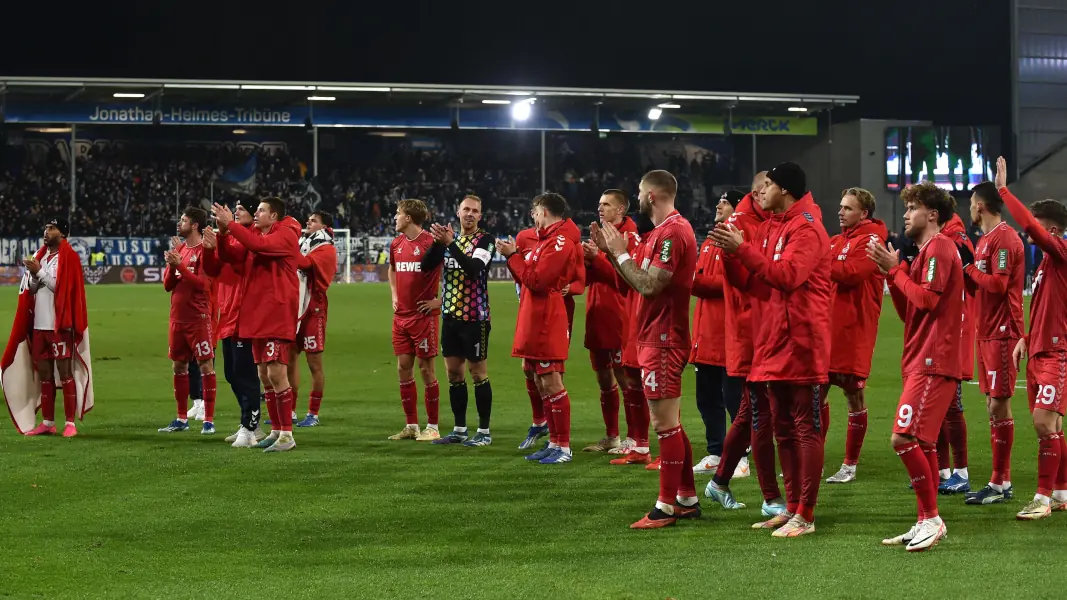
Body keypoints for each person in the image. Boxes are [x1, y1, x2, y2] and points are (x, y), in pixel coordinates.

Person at [711, 162, 832, 537]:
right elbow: (751, 283)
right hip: (772, 339)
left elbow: (788, 277)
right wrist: (731, 254)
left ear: (786, 190)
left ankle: (806, 515)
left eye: (768, 185)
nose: (760, 191)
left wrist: (742, 249)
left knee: (805, 429)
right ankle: (791, 507)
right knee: (782, 429)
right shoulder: (770, 227)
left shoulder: (807, 228)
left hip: (802, 341)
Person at [594, 170, 699, 528]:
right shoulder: (661, 232)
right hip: (656, 335)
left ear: (651, 195)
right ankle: (685, 496)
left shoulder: (672, 233)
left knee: (664, 424)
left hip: (665, 338)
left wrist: (621, 254)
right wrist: (613, 255)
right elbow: (638, 280)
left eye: (639, 191)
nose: (637, 197)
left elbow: (651, 286)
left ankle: (666, 507)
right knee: (670, 421)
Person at [867, 180, 962, 552]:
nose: (905, 215)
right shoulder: (926, 252)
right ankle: (926, 518)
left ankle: (933, 519)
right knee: (923, 440)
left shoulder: (939, 247)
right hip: (922, 355)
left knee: (902, 437)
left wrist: (896, 270)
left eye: (911, 208)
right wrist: (894, 272)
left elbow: (926, 301)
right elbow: (910, 312)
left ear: (932, 214)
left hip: (933, 359)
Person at [704, 174, 787, 518]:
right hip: (750, 333)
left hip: (765, 330)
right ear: (758, 192)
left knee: (749, 413)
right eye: (772, 187)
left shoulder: (765, 220)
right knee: (761, 415)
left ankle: (719, 481)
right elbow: (744, 280)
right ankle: (770, 496)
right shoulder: (741, 223)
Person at [994, 157, 1067, 520]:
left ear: (1052, 230)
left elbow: (1030, 227)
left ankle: (1042, 499)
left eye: (1035, 227)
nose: (1028, 232)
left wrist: (1004, 191)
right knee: (1051, 424)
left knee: (1043, 422)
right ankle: (1061, 490)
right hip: (1038, 348)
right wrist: (1025, 337)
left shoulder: (1061, 251)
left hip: (1057, 351)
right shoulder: (1046, 265)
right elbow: (1043, 306)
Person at [212, 197, 302, 453]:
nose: (257, 213)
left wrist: (231, 224)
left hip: (276, 313)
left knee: (276, 373)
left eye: (261, 210)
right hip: (257, 315)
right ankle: (275, 429)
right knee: (264, 375)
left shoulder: (283, 235)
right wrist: (222, 232)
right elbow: (231, 255)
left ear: (273, 216)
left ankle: (287, 434)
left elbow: (255, 244)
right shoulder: (255, 237)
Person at [498, 193, 578, 464]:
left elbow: (537, 281)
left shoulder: (559, 242)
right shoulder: (545, 242)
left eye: (534, 212)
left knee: (552, 381)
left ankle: (563, 447)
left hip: (547, 318)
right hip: (534, 316)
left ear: (543, 211)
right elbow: (526, 277)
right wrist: (514, 260)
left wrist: (512, 257)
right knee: (541, 381)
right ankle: (554, 442)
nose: (532, 217)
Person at [961, 181, 1025, 505]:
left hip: (1003, 332)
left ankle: (1001, 483)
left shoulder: (1005, 239)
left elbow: (999, 285)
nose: (970, 208)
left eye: (972, 202)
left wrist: (968, 268)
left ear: (981, 206)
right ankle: (1000, 481)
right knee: (991, 405)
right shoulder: (984, 240)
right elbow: (982, 286)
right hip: (985, 331)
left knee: (999, 404)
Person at [2, 218, 93, 437]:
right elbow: (32, 290)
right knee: (44, 374)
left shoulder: (68, 257)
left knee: (64, 373)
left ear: (63, 233)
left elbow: (61, 288)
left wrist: (39, 271)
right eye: (45, 228)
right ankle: (48, 422)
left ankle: (70, 423)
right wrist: (34, 274)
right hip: (39, 325)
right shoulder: (40, 256)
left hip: (59, 324)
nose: (46, 231)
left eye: (51, 228)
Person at [825, 188, 888, 484]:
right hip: (825, 330)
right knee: (815, 395)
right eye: (840, 207)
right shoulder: (836, 240)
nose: (840, 212)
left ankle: (849, 464)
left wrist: (817, 262)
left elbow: (852, 273)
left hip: (854, 331)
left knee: (854, 395)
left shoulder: (873, 241)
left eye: (848, 208)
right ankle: (813, 458)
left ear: (864, 213)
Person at [425, 195, 497, 447]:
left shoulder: (486, 241)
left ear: (480, 216)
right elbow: (426, 266)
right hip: (450, 316)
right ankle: (459, 429)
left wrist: (450, 243)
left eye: (475, 211)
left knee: (478, 374)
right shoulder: (450, 241)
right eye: (466, 209)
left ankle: (484, 431)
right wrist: (437, 244)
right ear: (458, 212)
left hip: (475, 318)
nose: (470, 213)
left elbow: (474, 269)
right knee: (454, 374)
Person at [690, 191, 745, 472]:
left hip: (728, 333)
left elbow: (728, 283)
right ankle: (715, 452)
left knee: (734, 398)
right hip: (705, 334)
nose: (718, 205)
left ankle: (742, 458)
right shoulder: (712, 239)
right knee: (706, 398)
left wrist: (692, 281)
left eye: (724, 202)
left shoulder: (740, 238)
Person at [581, 189, 639, 453]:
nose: (600, 208)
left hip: (618, 317)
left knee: (625, 378)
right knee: (604, 379)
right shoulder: (600, 235)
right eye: (599, 203)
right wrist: (586, 262)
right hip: (597, 315)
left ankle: (633, 439)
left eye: (606, 204)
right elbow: (587, 279)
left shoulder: (629, 237)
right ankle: (612, 436)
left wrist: (597, 260)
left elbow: (627, 279)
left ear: (621, 210)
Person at [205, 199, 265, 448]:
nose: (236, 212)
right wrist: (210, 248)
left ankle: (251, 427)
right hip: (227, 313)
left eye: (241, 209)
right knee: (231, 373)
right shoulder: (230, 237)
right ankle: (250, 422)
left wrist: (223, 232)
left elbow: (235, 256)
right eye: (235, 210)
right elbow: (212, 269)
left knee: (245, 373)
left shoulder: (252, 237)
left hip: (244, 314)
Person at [157, 207, 218, 435]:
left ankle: (208, 421)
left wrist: (179, 265)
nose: (178, 223)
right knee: (179, 366)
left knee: (205, 365)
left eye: (183, 220)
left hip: (198, 319)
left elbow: (203, 285)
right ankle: (182, 418)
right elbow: (167, 286)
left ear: (194, 225)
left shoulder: (205, 250)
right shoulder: (180, 249)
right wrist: (174, 266)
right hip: (177, 319)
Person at [387, 199, 444, 441]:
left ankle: (433, 426)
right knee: (403, 368)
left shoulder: (431, 244)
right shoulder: (396, 244)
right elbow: (392, 269)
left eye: (398, 214)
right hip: (401, 317)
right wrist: (394, 294)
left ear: (408, 218)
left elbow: (455, 277)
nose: (395, 218)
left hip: (423, 318)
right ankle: (411, 425)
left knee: (426, 370)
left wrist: (439, 302)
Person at [936, 211, 977, 493]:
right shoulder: (937, 241)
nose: (908, 214)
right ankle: (941, 470)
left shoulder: (956, 241)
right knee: (933, 408)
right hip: (933, 335)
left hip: (952, 334)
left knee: (950, 406)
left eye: (914, 207)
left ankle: (960, 472)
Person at [292, 211, 338, 428]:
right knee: (290, 359)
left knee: (314, 363)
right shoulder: (303, 243)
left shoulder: (326, 248)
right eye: (308, 220)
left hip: (313, 309)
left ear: (324, 226)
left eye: (314, 220)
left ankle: (313, 413)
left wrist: (286, 249)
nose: (308, 222)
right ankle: (289, 411)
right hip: (294, 308)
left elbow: (306, 265)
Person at [514, 222, 550, 450]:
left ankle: (558, 439)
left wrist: (570, 288)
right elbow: (520, 273)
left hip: (555, 311)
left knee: (551, 374)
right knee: (528, 368)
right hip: (529, 309)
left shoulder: (563, 241)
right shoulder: (523, 237)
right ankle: (541, 421)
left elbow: (577, 280)